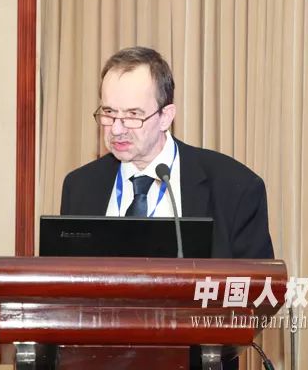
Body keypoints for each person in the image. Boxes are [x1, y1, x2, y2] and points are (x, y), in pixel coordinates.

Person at [60, 46, 274, 260]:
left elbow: (255, 280)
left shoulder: (236, 188)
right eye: (109, 112)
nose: (116, 129)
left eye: (133, 115)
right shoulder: (79, 187)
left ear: (166, 117)